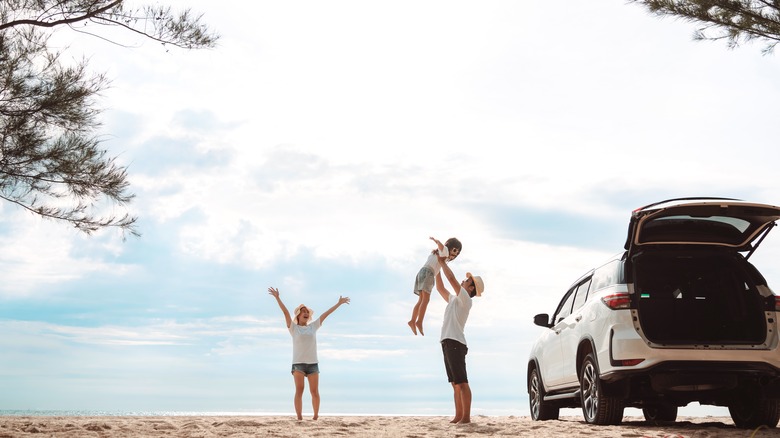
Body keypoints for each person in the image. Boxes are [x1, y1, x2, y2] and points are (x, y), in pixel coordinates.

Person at [268, 287, 350, 420]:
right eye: (303, 312)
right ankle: (299, 418)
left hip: (313, 364)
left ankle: (316, 417)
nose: (306, 313)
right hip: (298, 364)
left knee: (314, 392)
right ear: (298, 315)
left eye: (307, 312)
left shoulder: (313, 326)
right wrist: (277, 297)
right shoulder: (293, 328)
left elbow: (325, 314)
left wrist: (339, 303)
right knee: (299, 390)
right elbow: (285, 312)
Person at [435, 254, 484, 424]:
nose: (464, 281)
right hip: (447, 342)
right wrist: (436, 267)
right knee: (455, 383)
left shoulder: (465, 299)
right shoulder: (454, 299)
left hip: (456, 343)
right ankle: (458, 416)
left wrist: (442, 262)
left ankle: (466, 418)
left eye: (467, 281)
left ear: (470, 289)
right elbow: (440, 287)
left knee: (462, 382)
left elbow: (451, 278)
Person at [407, 236, 462, 336]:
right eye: (454, 250)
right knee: (426, 300)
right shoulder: (444, 251)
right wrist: (437, 241)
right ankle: (419, 322)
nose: (455, 253)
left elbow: (437, 268)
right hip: (428, 273)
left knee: (421, 300)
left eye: (457, 253)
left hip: (422, 272)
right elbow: (442, 247)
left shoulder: (437, 254)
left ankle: (412, 320)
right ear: (449, 246)